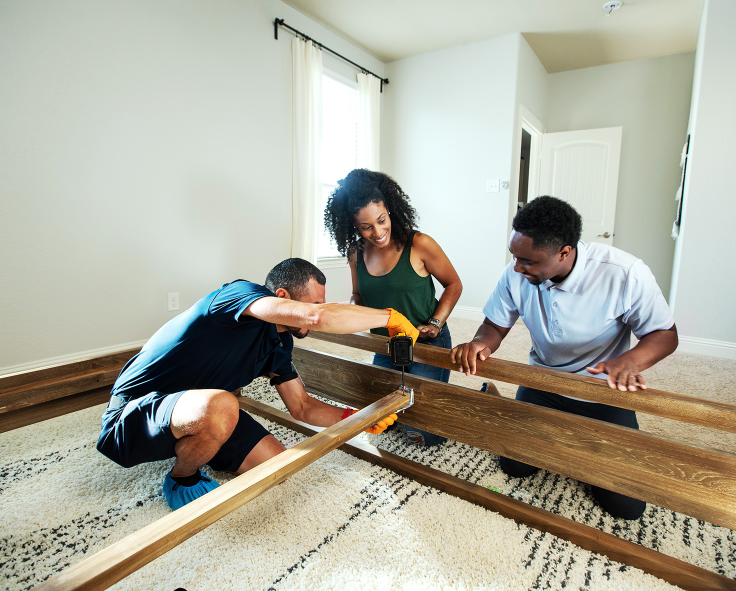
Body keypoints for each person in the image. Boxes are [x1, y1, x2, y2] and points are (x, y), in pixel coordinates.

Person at [96, 258, 419, 510]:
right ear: (282, 296)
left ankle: (196, 439)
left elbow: (302, 407)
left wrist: (356, 418)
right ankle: (183, 476)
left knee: (277, 467)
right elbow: (315, 319)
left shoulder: (278, 344)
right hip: (136, 413)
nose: (318, 311)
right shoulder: (237, 295)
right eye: (313, 303)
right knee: (222, 405)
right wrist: (389, 316)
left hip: (193, 411)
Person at [450, 196, 678, 520]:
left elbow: (665, 335)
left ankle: (575, 439)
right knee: (514, 466)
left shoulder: (625, 273)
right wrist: (479, 343)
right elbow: (494, 326)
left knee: (626, 508)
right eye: (515, 257)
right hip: (543, 382)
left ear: (564, 253)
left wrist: (631, 360)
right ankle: (500, 399)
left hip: (602, 393)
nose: (517, 267)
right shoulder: (516, 272)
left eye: (528, 261)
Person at [324, 169, 462, 447]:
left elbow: (454, 284)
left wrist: (435, 323)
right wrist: (355, 315)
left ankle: (480, 392)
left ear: (390, 210)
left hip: (426, 342)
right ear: (354, 226)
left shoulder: (419, 243)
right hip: (385, 344)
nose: (377, 232)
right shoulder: (356, 253)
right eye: (366, 227)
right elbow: (356, 295)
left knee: (422, 435)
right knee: (380, 422)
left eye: (381, 220)